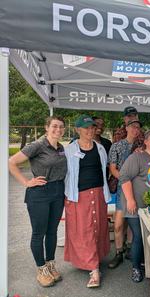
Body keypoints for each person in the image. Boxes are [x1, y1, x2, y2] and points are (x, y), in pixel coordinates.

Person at [8, 116, 67, 287]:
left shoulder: (61, 147)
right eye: (54, 126)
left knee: (52, 231)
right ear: (46, 127)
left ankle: (50, 265)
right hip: (40, 194)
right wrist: (27, 182)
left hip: (57, 192)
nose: (58, 130)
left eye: (61, 127)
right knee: (38, 233)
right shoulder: (37, 145)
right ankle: (41, 269)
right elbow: (11, 162)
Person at [64, 115, 111, 288]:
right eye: (86, 128)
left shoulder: (100, 148)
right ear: (77, 130)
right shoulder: (69, 150)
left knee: (97, 228)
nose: (90, 130)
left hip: (98, 193)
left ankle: (94, 260)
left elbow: (103, 171)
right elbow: (65, 175)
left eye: (92, 127)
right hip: (79, 196)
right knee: (84, 230)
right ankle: (94, 269)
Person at [120, 130, 150, 282]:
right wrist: (130, 200)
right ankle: (135, 268)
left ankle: (146, 263)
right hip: (136, 205)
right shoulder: (137, 157)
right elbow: (124, 177)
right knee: (139, 236)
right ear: (145, 142)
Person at [107, 120, 142, 269]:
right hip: (123, 188)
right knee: (119, 224)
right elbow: (113, 169)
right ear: (126, 128)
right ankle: (118, 252)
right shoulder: (116, 146)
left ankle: (129, 248)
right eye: (133, 126)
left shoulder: (142, 146)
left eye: (138, 127)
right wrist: (125, 180)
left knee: (132, 222)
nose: (136, 129)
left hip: (138, 189)